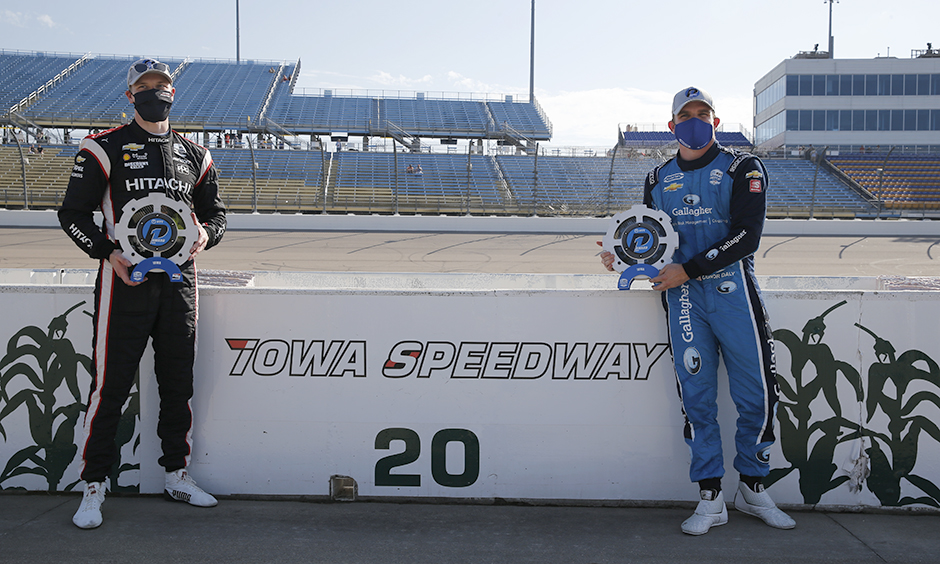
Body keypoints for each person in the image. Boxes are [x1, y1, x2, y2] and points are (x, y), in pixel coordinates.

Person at [599, 87, 795, 535]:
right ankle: (710, 495)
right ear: (672, 126)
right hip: (683, 300)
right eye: (686, 115)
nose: (695, 119)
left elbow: (747, 236)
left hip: (734, 294)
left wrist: (688, 268)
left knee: (756, 395)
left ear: (716, 121)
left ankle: (753, 484)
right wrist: (620, 254)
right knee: (697, 399)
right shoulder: (657, 177)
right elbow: (647, 237)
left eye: (703, 113)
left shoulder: (743, 167)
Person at [58, 58, 227, 530]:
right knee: (109, 387)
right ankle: (93, 486)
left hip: (180, 286)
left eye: (163, 84)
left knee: (178, 384)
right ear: (130, 94)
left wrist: (204, 238)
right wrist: (108, 252)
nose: (156, 91)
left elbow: (217, 216)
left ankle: (177, 474)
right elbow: (72, 213)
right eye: (146, 85)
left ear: (173, 92)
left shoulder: (197, 154)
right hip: (123, 285)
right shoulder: (103, 146)